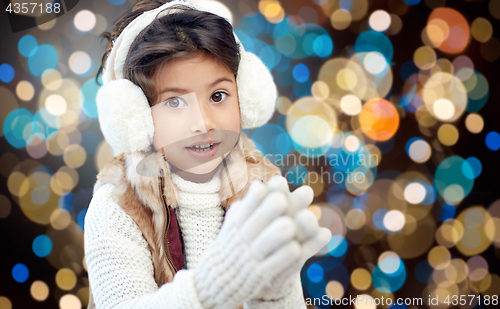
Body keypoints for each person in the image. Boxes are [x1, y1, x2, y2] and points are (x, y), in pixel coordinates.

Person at [84, 0, 331, 308]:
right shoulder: (118, 203)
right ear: (137, 116)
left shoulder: (262, 187)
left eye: (218, 96)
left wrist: (276, 293)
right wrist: (212, 287)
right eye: (174, 103)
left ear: (245, 95)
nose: (203, 124)